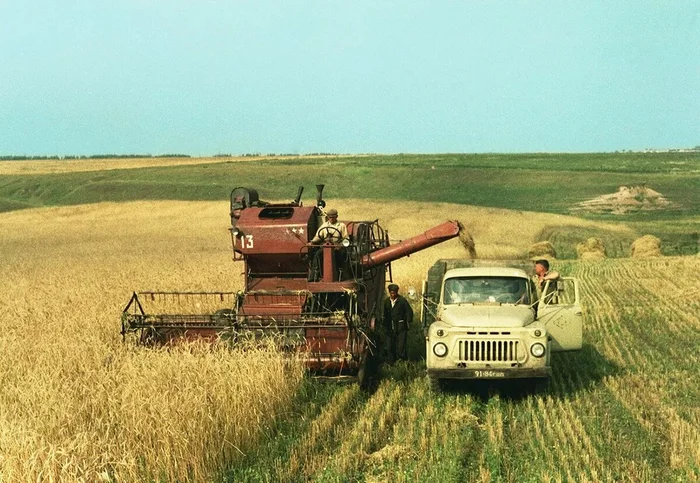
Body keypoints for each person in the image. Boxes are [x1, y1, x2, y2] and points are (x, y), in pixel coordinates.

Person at [382, 283, 413, 363]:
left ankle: (403, 362)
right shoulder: (386, 302)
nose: (393, 295)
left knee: (401, 346)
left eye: (394, 293)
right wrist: (384, 325)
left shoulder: (402, 301)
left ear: (397, 292)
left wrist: (407, 321)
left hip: (401, 327)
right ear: (389, 292)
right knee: (390, 346)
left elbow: (409, 312)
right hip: (390, 327)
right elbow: (385, 315)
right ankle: (391, 363)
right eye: (391, 293)